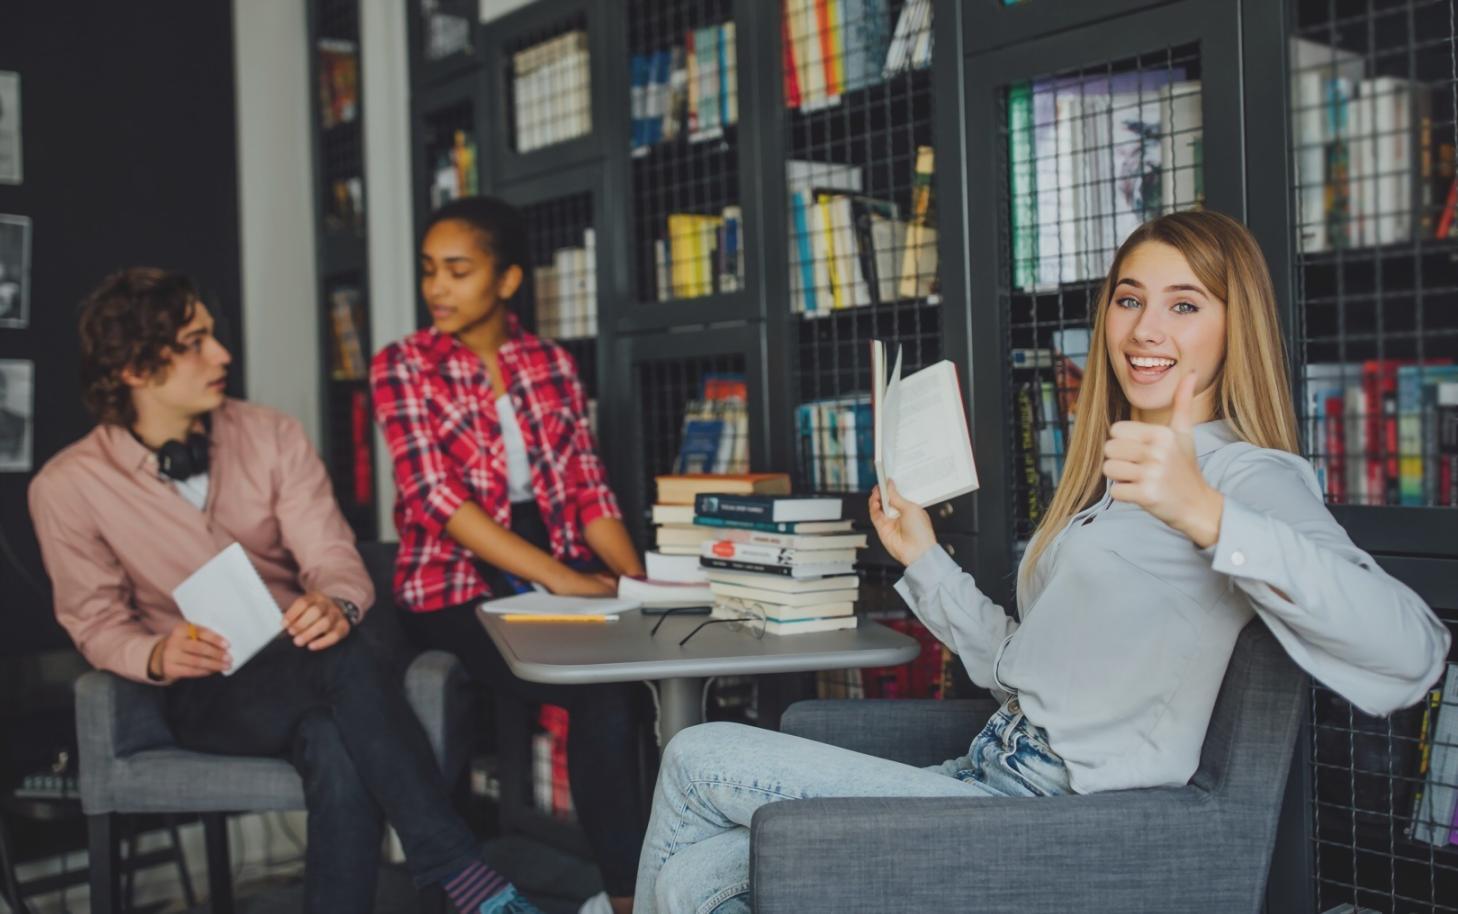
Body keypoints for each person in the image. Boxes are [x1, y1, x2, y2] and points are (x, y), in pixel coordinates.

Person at [632, 210, 1452, 913]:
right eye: (1129, 300)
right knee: (694, 878)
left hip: (1050, 816)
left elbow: (1412, 653)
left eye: (1184, 304)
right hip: (989, 770)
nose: (1145, 330)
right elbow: (1023, 671)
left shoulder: (1245, 475)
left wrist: (1204, 511)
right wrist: (923, 559)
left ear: (1235, 326)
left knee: (697, 754)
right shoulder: (1117, 475)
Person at [29, 267, 546, 914]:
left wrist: (336, 601)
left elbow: (333, 553)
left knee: (337, 736)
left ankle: (455, 878)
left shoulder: (272, 434)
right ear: (134, 369)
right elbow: (94, 618)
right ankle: (464, 874)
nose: (222, 355)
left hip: (316, 655)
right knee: (346, 663)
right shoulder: (67, 486)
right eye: (194, 342)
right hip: (211, 688)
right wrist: (156, 655)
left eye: (213, 335)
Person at [371, 196, 648, 914]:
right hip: (454, 583)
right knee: (596, 686)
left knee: (623, 688)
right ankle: (621, 893)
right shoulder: (402, 366)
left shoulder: (550, 363)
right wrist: (568, 583)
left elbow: (588, 488)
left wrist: (635, 586)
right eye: (431, 270)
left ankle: (634, 893)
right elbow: (436, 497)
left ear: (508, 278)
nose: (437, 287)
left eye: (458, 270)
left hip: (551, 569)